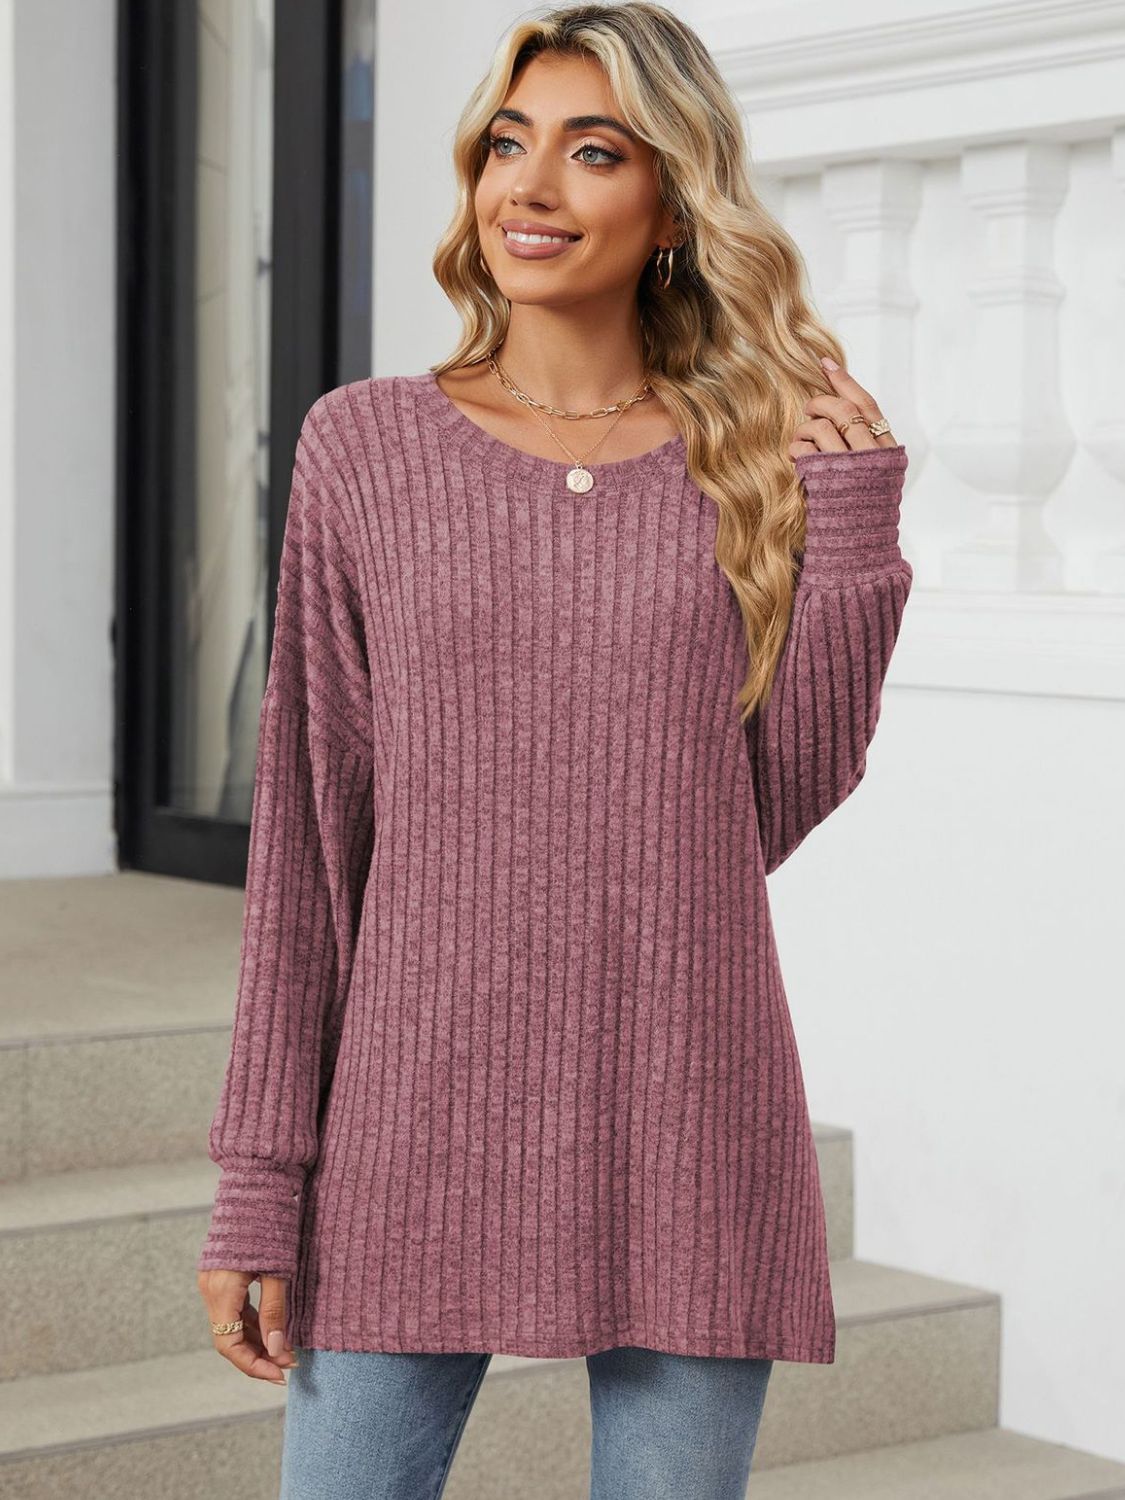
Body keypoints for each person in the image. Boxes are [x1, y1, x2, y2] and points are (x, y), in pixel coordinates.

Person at [196, 4, 913, 1496]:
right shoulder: (365, 447)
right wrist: (260, 1182)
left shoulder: (749, 460)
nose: (528, 187)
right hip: (408, 1113)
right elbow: (309, 840)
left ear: (673, 204)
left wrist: (850, 543)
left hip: (684, 1109)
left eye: (593, 152)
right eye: (506, 145)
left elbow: (758, 811)